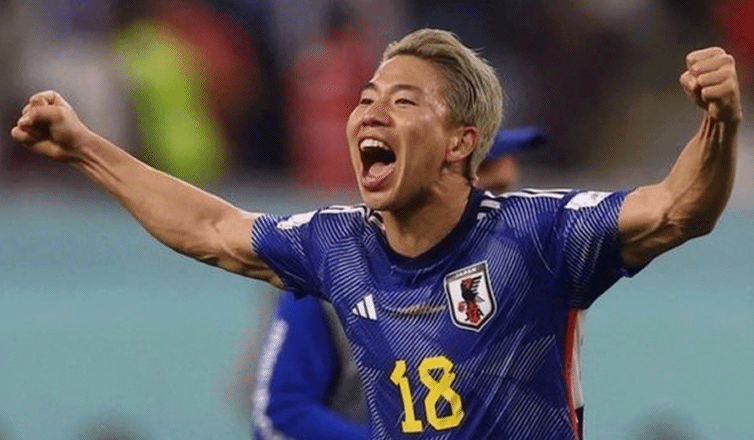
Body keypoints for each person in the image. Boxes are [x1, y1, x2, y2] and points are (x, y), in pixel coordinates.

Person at [10, 28, 741, 439]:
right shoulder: (334, 245)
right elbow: (211, 227)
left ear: (460, 143)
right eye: (366, 99)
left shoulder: (537, 233)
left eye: (403, 100)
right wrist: (84, 148)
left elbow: (678, 209)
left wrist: (719, 123)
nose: (370, 113)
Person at [248, 128, 545, 440]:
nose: (505, 198)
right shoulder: (336, 270)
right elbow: (280, 415)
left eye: (507, 190)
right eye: (485, 169)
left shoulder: (520, 278)